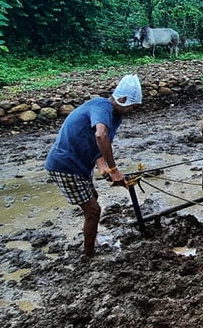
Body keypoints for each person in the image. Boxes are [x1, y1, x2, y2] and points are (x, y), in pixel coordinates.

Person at [45, 74, 142, 257]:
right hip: (65, 165)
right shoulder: (101, 107)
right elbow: (100, 136)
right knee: (93, 210)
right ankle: (89, 255)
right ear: (121, 99)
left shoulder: (115, 116)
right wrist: (114, 170)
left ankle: (92, 239)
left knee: (93, 198)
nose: (134, 110)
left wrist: (103, 167)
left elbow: (95, 143)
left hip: (79, 165)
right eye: (133, 106)